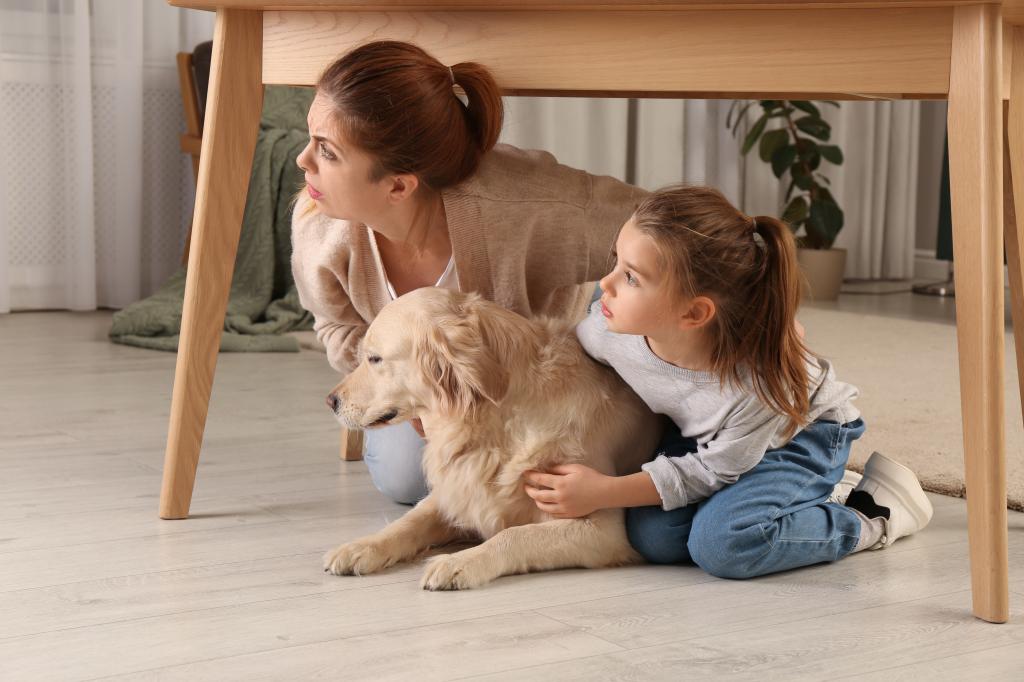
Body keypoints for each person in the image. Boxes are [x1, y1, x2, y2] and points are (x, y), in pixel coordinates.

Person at [290, 40, 646, 504]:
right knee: (407, 480)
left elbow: (661, 223)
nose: (302, 161)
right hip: (423, 383)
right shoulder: (318, 224)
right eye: (309, 138)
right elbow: (335, 324)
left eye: (327, 151)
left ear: (398, 185)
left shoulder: (529, 207)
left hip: (537, 374)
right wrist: (419, 384)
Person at [523, 185, 934, 579]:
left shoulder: (754, 387)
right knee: (655, 539)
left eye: (630, 277)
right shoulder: (605, 328)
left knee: (723, 546)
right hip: (710, 438)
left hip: (801, 435)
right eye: (616, 261)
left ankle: (870, 513)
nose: (604, 285)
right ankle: (790, 499)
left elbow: (711, 471)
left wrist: (601, 491)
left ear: (694, 314)